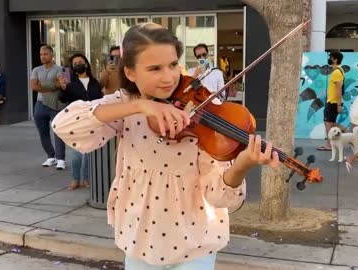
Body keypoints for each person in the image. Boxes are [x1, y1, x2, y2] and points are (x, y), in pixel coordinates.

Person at [52, 23, 279, 270]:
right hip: (138, 237)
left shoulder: (199, 113)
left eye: (173, 65)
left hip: (195, 243)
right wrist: (140, 106)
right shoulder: (125, 107)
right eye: (154, 68)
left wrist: (242, 165)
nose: (169, 77)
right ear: (130, 73)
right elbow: (65, 125)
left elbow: (220, 197)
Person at [58, 53, 103, 190]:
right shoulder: (70, 82)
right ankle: (75, 179)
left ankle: (86, 179)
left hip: (93, 119)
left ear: (86, 64)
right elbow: (63, 99)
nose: (78, 64)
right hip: (76, 120)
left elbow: (100, 97)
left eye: (80, 62)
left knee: (89, 152)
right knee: (77, 153)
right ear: (72, 67)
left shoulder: (94, 81)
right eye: (75, 63)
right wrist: (63, 88)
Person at [30, 45, 66, 170]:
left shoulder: (60, 69)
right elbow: (34, 86)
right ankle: (51, 156)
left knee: (58, 131)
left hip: (56, 104)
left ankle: (61, 159)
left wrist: (44, 85)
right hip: (40, 104)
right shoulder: (36, 70)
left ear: (52, 55)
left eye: (45, 54)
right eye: (41, 54)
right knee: (43, 131)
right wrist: (53, 85)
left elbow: (63, 85)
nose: (42, 56)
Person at [317, 51, 344, 151]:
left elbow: (338, 90)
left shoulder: (337, 72)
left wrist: (339, 104)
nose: (329, 59)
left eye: (331, 57)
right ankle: (345, 131)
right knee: (330, 123)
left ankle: (329, 144)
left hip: (333, 102)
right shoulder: (338, 71)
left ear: (335, 60)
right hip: (332, 102)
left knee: (328, 124)